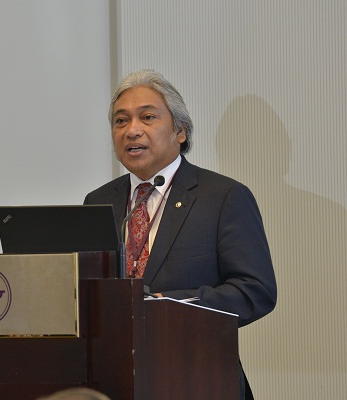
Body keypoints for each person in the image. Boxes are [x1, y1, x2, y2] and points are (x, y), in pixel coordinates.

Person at [83, 69, 277, 400]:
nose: (132, 130)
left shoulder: (222, 197)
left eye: (147, 117)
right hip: (112, 378)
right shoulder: (99, 202)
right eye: (120, 121)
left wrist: (167, 305)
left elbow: (254, 291)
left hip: (198, 377)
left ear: (180, 131)